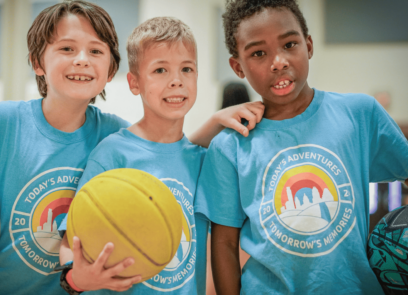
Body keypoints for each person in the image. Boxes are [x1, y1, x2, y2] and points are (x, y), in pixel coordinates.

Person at [0, 1, 262, 294]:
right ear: (37, 62)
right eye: (67, 48)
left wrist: (215, 122)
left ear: (111, 70)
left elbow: (167, 152)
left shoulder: (113, 132)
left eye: (96, 51)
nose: (81, 59)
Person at [194, 0, 408, 294]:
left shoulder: (360, 114)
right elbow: (224, 243)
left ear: (308, 46)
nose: (279, 61)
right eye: (259, 53)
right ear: (238, 67)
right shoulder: (228, 147)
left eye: (290, 44)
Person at [57, 16, 264, 295]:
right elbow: (71, 241)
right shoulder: (113, 153)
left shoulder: (206, 160)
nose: (176, 81)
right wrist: (76, 279)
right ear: (134, 83)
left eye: (187, 69)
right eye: (160, 70)